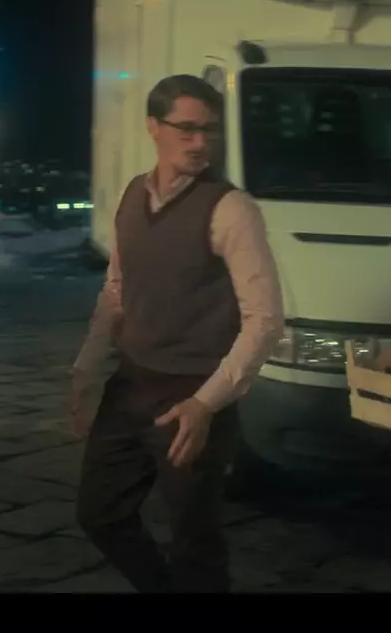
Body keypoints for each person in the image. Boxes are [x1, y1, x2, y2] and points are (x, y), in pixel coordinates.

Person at [69, 74, 284, 593]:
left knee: (195, 542)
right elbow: (117, 289)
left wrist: (206, 403)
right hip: (131, 385)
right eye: (186, 129)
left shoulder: (230, 208)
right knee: (100, 514)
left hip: (193, 392)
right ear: (153, 127)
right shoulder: (132, 196)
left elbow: (264, 319)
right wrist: (86, 370)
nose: (199, 142)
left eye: (209, 130)